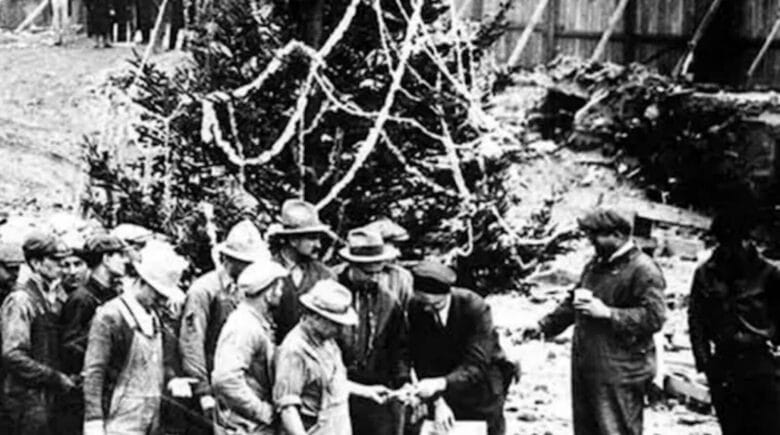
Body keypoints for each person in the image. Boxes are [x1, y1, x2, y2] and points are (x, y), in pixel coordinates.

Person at [524, 208, 666, 435]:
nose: (591, 242)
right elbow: (573, 302)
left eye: (596, 236)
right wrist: (544, 326)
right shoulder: (595, 264)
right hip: (588, 366)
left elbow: (655, 317)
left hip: (622, 370)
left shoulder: (643, 269)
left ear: (618, 235)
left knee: (616, 429)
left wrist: (609, 313)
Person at [688, 209, 780, 435]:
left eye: (738, 241)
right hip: (724, 364)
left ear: (749, 240)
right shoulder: (705, 273)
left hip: (761, 363)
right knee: (732, 427)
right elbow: (696, 321)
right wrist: (705, 363)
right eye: (724, 242)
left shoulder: (769, 273)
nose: (730, 248)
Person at [82, 240, 187, 435]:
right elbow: (94, 372)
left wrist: (172, 379)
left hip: (148, 418)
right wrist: (93, 420)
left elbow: (157, 363)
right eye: (158, 294)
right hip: (117, 420)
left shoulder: (154, 318)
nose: (162, 300)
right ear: (142, 282)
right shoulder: (111, 316)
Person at [179, 220, 270, 426]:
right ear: (230, 259)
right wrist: (203, 391)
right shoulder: (204, 290)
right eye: (246, 262)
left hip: (242, 388)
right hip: (213, 386)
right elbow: (192, 342)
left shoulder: (250, 290)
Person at [273, 279, 391, 435]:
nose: (340, 329)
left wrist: (366, 391)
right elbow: (287, 407)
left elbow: (333, 383)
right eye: (333, 323)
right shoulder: (295, 350)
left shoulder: (327, 342)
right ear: (314, 317)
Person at [407, 260, 510, 435]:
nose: (428, 309)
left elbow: (476, 365)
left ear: (447, 295)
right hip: (443, 388)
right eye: (424, 304)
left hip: (482, 389)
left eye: (436, 305)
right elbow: (423, 360)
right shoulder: (417, 308)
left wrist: (440, 384)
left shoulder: (475, 308)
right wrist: (438, 401)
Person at [1, 232, 78, 434]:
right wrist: (54, 377)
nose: (63, 266)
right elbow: (12, 354)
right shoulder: (21, 300)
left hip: (48, 400)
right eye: (55, 260)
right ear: (35, 263)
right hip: (25, 403)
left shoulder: (55, 297)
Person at [335, 228, 410, 435]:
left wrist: (402, 382)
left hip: (375, 390)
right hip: (334, 389)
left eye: (379, 271)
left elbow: (399, 347)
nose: (375, 278)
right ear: (352, 265)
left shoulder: (388, 300)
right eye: (369, 272)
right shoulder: (330, 289)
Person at [57, 234, 128, 435]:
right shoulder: (83, 299)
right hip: (83, 393)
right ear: (106, 259)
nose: (124, 260)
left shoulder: (110, 295)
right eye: (119, 255)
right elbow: (69, 346)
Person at [211, 260, 288, 435]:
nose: (282, 294)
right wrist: (262, 411)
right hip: (244, 427)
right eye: (279, 288)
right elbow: (225, 379)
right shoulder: (244, 326)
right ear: (268, 293)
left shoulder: (256, 322)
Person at [267, 199, 334, 343]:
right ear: (293, 240)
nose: (318, 245)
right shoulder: (266, 273)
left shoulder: (325, 275)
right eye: (312, 238)